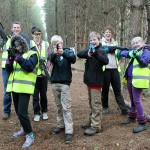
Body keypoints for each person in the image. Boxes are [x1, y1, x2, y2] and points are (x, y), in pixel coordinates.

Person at [6, 34, 39, 148]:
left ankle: (30, 135)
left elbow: (29, 67)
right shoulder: (16, 55)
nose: (17, 47)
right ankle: (23, 129)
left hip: (25, 88)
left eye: (19, 44)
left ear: (24, 44)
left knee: (22, 112)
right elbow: (9, 69)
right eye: (15, 45)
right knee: (17, 111)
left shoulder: (32, 54)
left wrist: (17, 58)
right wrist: (9, 60)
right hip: (15, 88)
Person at [77, 31, 109, 136]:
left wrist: (95, 54)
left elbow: (106, 60)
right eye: (91, 40)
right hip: (89, 82)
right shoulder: (90, 50)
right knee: (91, 103)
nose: (92, 41)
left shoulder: (101, 50)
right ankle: (92, 121)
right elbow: (79, 54)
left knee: (96, 104)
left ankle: (96, 126)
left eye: (94, 39)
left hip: (96, 82)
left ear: (99, 40)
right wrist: (88, 53)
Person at [120, 37, 150, 133]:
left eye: (137, 42)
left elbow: (144, 63)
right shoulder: (134, 51)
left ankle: (142, 122)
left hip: (139, 80)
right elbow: (122, 52)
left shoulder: (146, 51)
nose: (136, 44)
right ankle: (132, 117)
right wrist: (130, 53)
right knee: (132, 98)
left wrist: (136, 56)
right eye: (134, 43)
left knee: (137, 100)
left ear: (142, 42)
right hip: (130, 77)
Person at [50, 35, 76, 143]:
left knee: (66, 107)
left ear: (62, 42)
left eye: (59, 42)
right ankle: (60, 125)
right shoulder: (53, 54)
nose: (58, 44)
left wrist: (63, 52)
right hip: (55, 83)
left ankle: (69, 131)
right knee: (59, 106)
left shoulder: (68, 51)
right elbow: (50, 59)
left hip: (65, 83)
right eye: (55, 43)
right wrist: (55, 53)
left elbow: (73, 59)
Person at [100, 26, 128, 115]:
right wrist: (115, 48)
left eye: (110, 32)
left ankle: (123, 109)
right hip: (105, 69)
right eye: (106, 32)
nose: (108, 33)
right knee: (104, 90)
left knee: (117, 90)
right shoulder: (100, 42)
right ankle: (105, 107)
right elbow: (103, 50)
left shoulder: (115, 42)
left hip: (115, 69)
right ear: (103, 33)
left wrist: (122, 53)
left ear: (112, 34)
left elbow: (118, 55)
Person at [1, 21, 22, 120]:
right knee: (7, 90)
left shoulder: (22, 40)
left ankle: (20, 111)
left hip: (17, 67)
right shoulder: (5, 39)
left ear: (20, 29)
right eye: (14, 27)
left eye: (18, 27)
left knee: (17, 89)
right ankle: (6, 111)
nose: (16, 29)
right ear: (11, 28)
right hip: (6, 67)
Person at [30, 27, 49, 122]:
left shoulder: (46, 44)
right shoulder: (29, 44)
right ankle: (37, 113)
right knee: (35, 96)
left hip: (44, 74)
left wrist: (47, 68)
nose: (38, 36)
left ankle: (44, 111)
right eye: (35, 34)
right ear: (32, 35)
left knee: (44, 95)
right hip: (33, 75)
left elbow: (49, 57)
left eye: (39, 34)